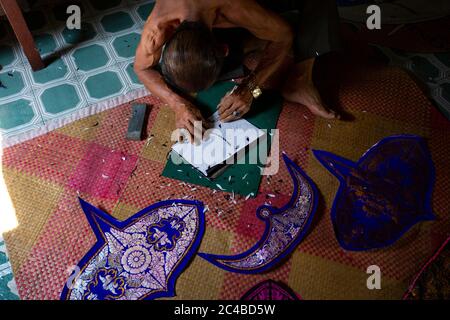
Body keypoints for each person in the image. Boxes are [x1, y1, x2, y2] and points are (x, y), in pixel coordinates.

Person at [134, 0, 342, 142]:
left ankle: (300, 77)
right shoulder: (158, 28)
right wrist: (178, 104)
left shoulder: (236, 7)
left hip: (249, 11)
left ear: (224, 50)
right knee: (183, 76)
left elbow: (284, 36)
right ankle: (257, 40)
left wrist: (250, 89)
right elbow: (142, 68)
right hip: (225, 26)